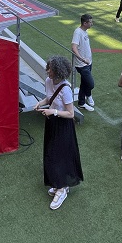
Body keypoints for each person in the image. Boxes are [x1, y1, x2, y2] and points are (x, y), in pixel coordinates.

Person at [35, 55, 83, 210]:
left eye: (50, 69)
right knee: (50, 154)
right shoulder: (49, 81)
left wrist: (53, 112)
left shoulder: (66, 89)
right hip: (52, 122)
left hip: (63, 125)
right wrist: (41, 103)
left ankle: (61, 189)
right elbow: (50, 98)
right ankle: (58, 184)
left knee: (59, 156)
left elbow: (71, 114)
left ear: (57, 71)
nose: (47, 71)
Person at [71, 13, 95, 112]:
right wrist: (81, 59)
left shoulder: (85, 31)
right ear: (85, 23)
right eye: (90, 22)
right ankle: (86, 97)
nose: (92, 24)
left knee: (84, 83)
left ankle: (82, 101)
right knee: (90, 84)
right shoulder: (78, 32)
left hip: (88, 62)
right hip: (82, 64)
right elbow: (73, 47)